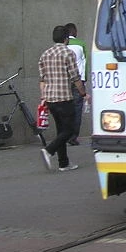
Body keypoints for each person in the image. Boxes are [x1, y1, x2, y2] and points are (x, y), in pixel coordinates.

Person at [38, 25, 87, 173]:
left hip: (50, 98)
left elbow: (42, 80)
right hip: (64, 97)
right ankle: (49, 150)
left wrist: (43, 97)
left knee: (61, 130)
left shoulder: (45, 54)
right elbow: (75, 77)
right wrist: (83, 93)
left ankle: (63, 163)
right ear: (66, 39)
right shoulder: (68, 53)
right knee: (70, 130)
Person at [64, 22, 87, 145]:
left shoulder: (62, 46)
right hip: (78, 80)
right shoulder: (81, 44)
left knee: (66, 108)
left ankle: (64, 135)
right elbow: (85, 63)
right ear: (75, 32)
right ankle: (73, 137)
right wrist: (84, 79)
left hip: (64, 82)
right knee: (77, 108)